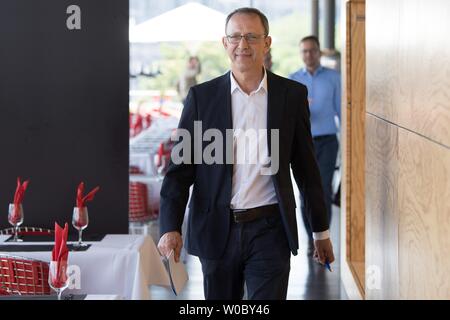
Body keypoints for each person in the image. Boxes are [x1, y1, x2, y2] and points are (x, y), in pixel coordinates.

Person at [158, 8, 334, 300]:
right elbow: (179, 170)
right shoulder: (202, 99)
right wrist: (169, 227)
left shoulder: (291, 96)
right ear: (225, 43)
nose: (243, 44)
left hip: (270, 230)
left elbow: (307, 169)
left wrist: (321, 231)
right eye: (235, 37)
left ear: (267, 43)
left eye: (252, 36)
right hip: (217, 230)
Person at [288, 36, 341, 256]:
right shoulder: (293, 79)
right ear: (301, 54)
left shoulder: (333, 78)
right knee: (304, 190)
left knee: (324, 188)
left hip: (328, 140)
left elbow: (341, 110)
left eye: (312, 51)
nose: (308, 55)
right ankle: (311, 236)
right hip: (302, 142)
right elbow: (288, 116)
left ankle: (323, 233)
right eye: (304, 51)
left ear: (319, 52)